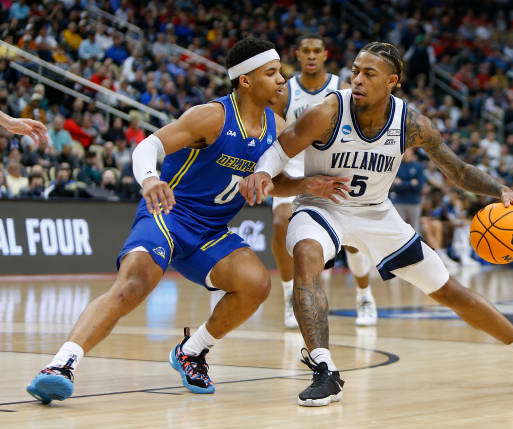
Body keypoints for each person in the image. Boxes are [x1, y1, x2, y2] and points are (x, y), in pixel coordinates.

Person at [240, 42, 513, 407]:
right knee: (306, 255)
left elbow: (458, 170)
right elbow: (279, 150)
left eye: (369, 74)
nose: (357, 79)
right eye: (355, 70)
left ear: (392, 82)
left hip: (376, 213)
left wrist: (501, 190)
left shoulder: (412, 123)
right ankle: (324, 369)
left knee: (449, 290)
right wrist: (261, 172)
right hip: (324, 207)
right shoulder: (329, 111)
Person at [26, 38, 348, 405]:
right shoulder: (211, 116)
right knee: (132, 285)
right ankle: (61, 365)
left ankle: (191, 351)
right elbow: (148, 146)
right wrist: (149, 178)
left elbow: (270, 182)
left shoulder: (275, 125)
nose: (280, 80)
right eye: (271, 73)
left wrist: (307, 184)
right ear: (244, 80)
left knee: (257, 284)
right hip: (169, 215)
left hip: (211, 233)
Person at [271, 33, 377, 328]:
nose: (312, 55)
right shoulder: (286, 92)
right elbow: (276, 134)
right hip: (293, 169)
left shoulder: (340, 88)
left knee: (353, 242)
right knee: (281, 224)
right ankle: (290, 296)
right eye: (306, 51)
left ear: (325, 54)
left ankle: (364, 295)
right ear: (298, 54)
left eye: (317, 50)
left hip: (332, 170)